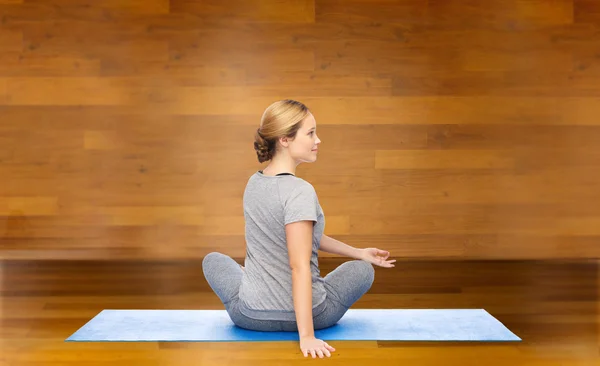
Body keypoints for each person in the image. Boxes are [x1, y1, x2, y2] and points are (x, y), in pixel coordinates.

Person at [202, 99, 396, 359]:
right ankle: (286, 302)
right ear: (284, 139)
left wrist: (358, 251)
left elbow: (307, 237)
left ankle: (254, 279)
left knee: (213, 260)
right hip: (315, 316)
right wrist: (307, 336)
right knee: (361, 272)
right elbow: (299, 265)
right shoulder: (300, 191)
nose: (318, 140)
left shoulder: (254, 183)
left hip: (251, 315)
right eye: (311, 133)